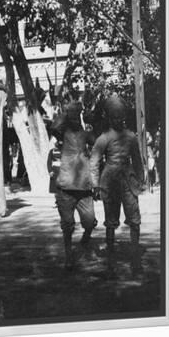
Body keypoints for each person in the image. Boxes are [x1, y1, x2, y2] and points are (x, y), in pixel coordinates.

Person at [89, 95, 145, 274]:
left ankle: (135, 261)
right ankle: (110, 264)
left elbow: (137, 160)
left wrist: (141, 180)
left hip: (129, 182)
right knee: (111, 223)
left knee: (135, 221)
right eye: (114, 116)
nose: (118, 119)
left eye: (120, 116)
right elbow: (94, 162)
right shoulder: (103, 138)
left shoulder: (131, 137)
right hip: (110, 182)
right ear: (109, 118)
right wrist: (96, 185)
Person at [50, 101, 97, 270]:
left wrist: (89, 118)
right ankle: (69, 255)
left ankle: (86, 237)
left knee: (90, 221)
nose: (75, 118)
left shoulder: (85, 134)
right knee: (67, 224)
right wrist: (66, 113)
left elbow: (98, 142)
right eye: (73, 115)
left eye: (78, 115)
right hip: (66, 187)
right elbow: (54, 127)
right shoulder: (63, 134)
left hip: (84, 187)